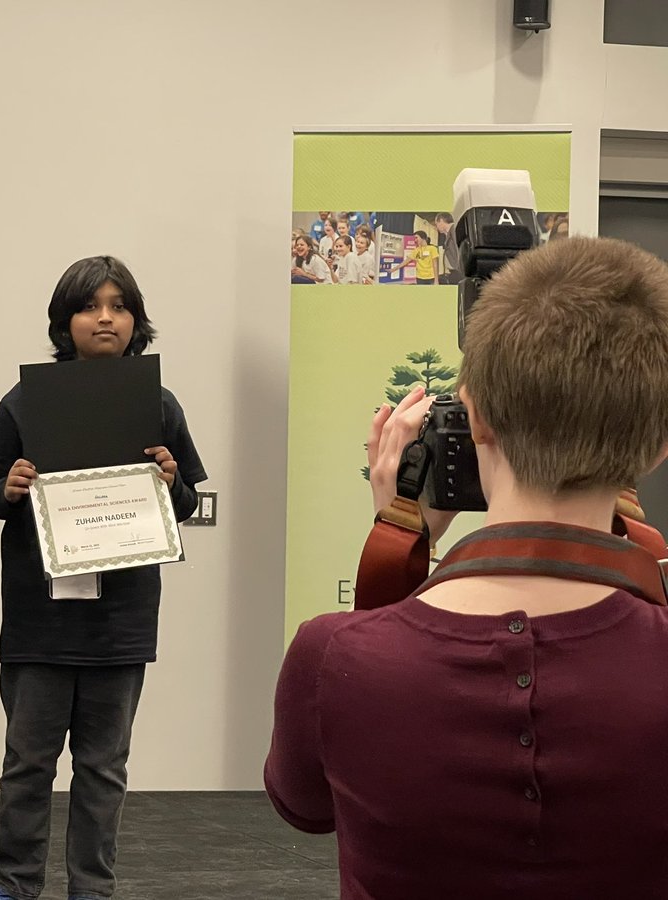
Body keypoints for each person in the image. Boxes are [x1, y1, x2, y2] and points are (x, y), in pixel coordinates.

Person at [265, 236, 668, 898]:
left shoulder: (330, 655)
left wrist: (397, 537)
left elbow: (306, 805)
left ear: (473, 414)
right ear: (657, 447)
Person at [0, 256, 207, 900]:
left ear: (137, 320)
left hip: (121, 620)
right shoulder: (28, 399)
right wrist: (9, 487)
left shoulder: (157, 404)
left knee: (104, 768)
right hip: (38, 617)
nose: (106, 318)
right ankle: (15, 886)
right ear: (64, 321)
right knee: (26, 766)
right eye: (90, 306)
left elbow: (187, 503)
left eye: (120, 306)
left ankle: (91, 890)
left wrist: (169, 483)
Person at [434, 211, 461, 284]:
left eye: (437, 224)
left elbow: (458, 249)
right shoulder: (448, 233)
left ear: (441, 221)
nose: (437, 228)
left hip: (458, 272)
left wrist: (459, 267)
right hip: (454, 272)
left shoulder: (453, 230)